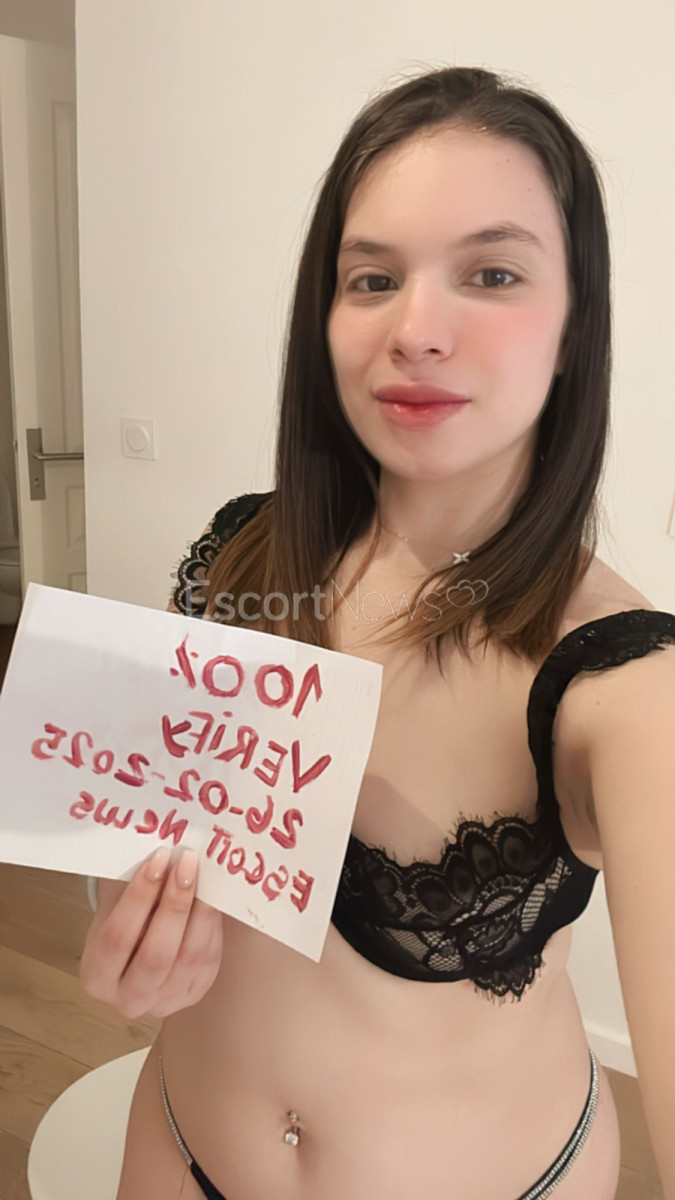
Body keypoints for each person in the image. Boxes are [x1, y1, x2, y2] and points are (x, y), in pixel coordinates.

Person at [80, 66, 675, 1200]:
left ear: (574, 324)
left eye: (491, 274)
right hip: (174, 1152)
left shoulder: (627, 687)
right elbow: (146, 850)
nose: (415, 330)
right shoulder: (240, 555)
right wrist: (128, 942)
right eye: (372, 279)